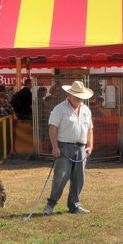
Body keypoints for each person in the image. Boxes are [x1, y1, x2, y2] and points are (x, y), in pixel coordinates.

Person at [43, 81, 94, 216]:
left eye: (81, 96)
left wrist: (90, 145)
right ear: (70, 95)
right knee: (61, 176)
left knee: (79, 178)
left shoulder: (86, 110)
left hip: (81, 148)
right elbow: (52, 128)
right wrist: (55, 147)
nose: (80, 98)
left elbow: (90, 129)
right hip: (64, 147)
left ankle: (74, 205)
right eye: (77, 96)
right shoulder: (59, 109)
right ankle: (51, 204)